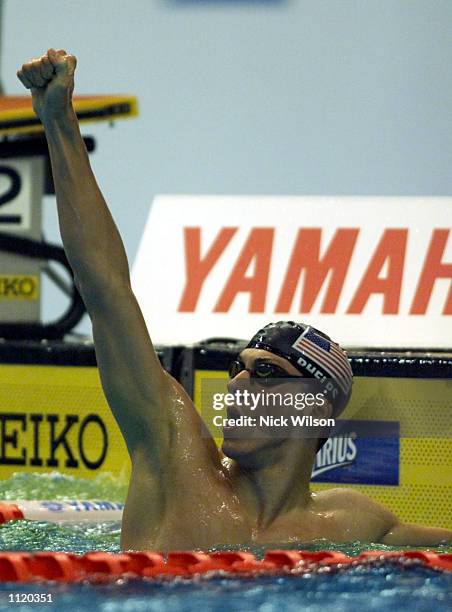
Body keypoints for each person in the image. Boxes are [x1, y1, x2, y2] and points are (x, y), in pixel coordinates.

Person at [17, 49, 451, 551]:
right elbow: (105, 288)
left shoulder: (352, 525)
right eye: (238, 369)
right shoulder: (176, 459)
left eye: (265, 372)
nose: (240, 384)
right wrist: (59, 123)